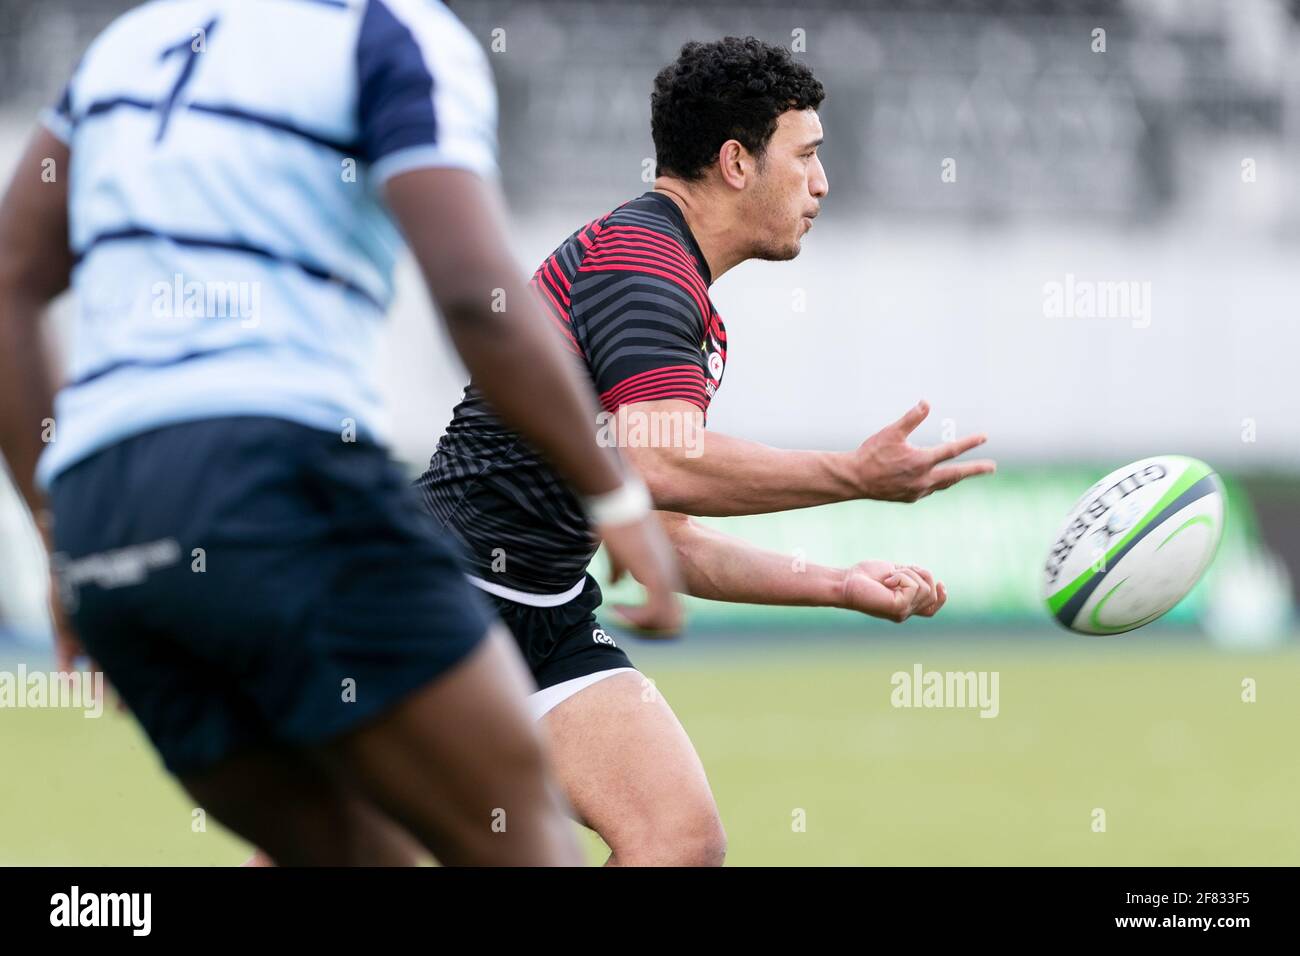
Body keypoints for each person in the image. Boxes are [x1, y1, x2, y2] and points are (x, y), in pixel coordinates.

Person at [0, 0, 682, 866]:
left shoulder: (130, 43)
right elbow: (479, 295)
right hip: (280, 481)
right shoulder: (394, 33)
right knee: (519, 837)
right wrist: (612, 490)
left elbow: (9, 280)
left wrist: (59, 536)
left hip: (107, 527)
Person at [414, 36, 996, 866]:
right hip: (440, 600)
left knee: (679, 841)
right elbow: (663, 463)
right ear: (735, 161)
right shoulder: (643, 269)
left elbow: (669, 534)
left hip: (545, 611)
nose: (821, 184)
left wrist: (837, 584)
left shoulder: (673, 282)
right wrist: (855, 477)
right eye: (806, 157)